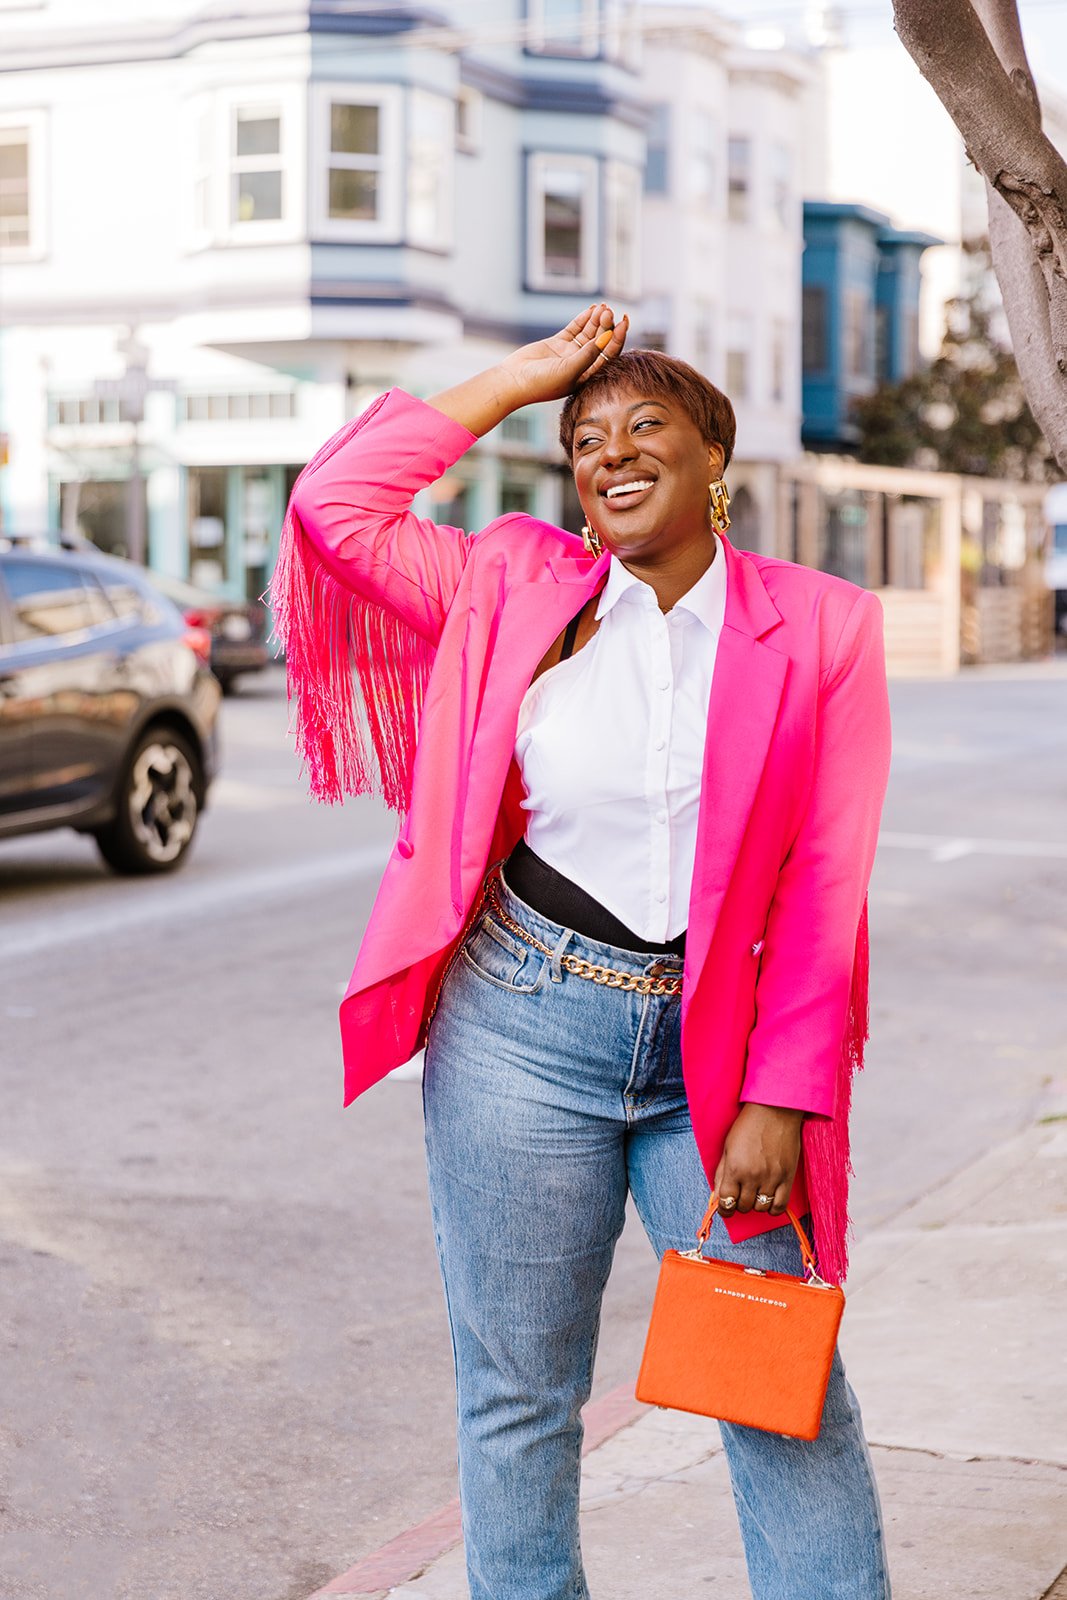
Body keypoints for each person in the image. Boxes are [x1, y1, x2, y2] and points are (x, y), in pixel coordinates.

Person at [272, 304, 893, 1600]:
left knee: (777, 1389)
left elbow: (827, 876)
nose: (608, 452)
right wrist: (529, 374)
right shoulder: (512, 584)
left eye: (642, 425)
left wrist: (784, 1093)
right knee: (518, 1401)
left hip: (715, 1064)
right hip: (519, 1031)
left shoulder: (823, 626)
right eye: (584, 440)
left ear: (714, 452)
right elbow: (338, 505)